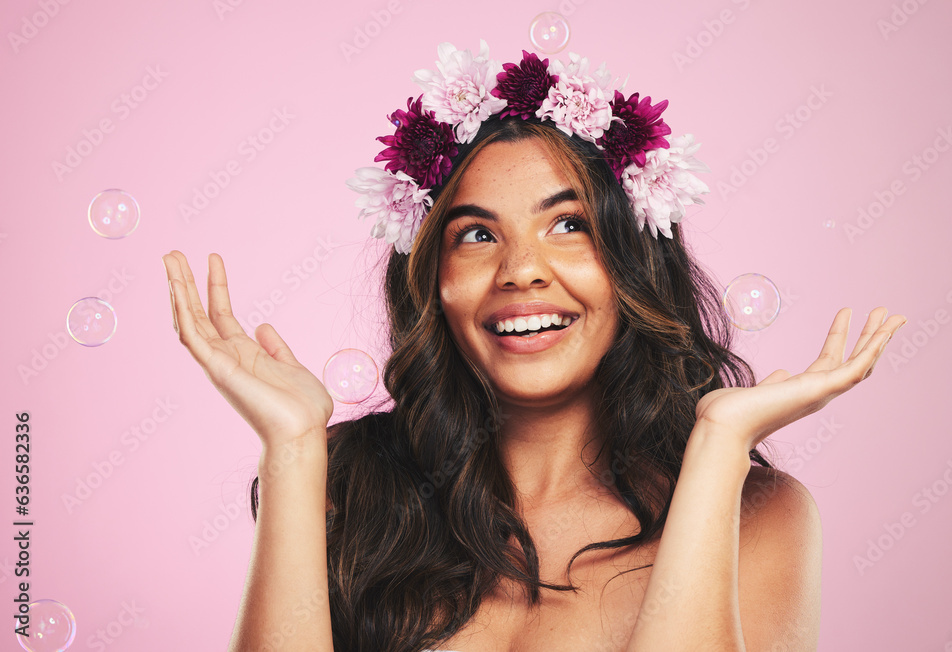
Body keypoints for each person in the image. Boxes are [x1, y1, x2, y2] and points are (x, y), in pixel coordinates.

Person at [162, 42, 906, 652]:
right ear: (434, 283)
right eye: (477, 235)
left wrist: (716, 447)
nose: (521, 270)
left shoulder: (757, 514)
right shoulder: (348, 490)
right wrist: (291, 448)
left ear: (632, 263)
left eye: (569, 224)